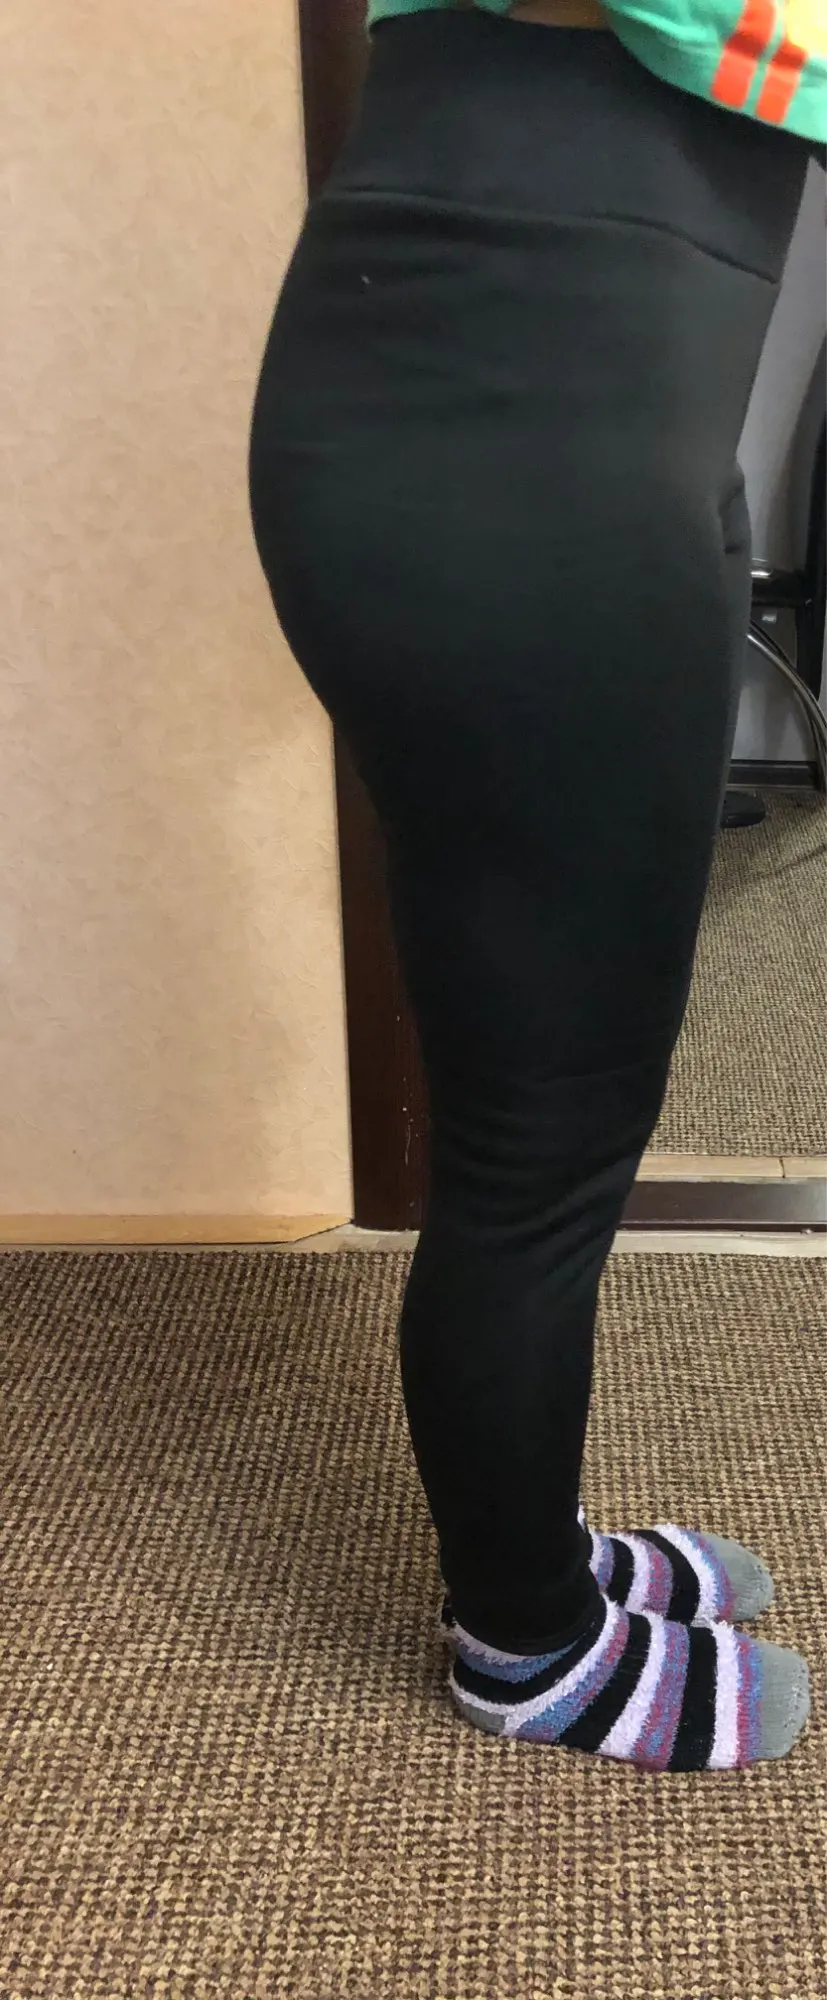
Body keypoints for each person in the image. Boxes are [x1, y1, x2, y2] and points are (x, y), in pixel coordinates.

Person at [248, 0, 823, 1770]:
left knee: (555, 1085)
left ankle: (532, 1546)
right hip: (523, 423)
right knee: (544, 1129)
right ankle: (523, 1640)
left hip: (570, 394)